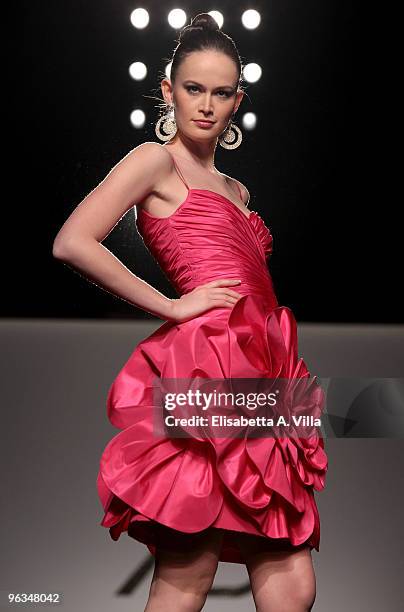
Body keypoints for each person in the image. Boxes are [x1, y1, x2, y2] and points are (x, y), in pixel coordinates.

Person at [52, 12, 328, 612]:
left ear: (238, 100)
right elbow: (72, 240)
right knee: (189, 572)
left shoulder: (237, 191)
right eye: (193, 88)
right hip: (206, 364)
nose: (206, 105)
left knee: (293, 584)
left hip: (266, 372)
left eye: (221, 92)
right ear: (168, 90)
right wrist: (173, 306)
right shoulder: (155, 161)